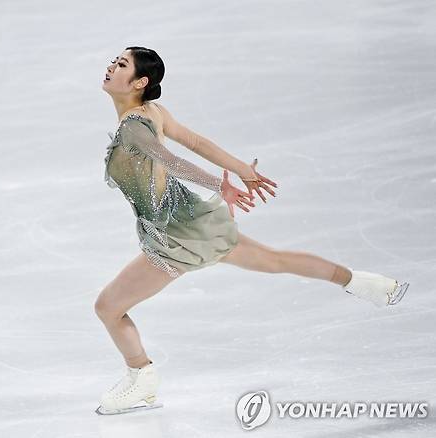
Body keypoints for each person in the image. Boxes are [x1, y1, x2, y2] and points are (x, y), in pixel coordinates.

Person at [94, 46, 409, 415]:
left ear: (140, 82)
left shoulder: (134, 126)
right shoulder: (153, 112)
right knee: (273, 260)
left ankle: (141, 376)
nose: (111, 66)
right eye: (115, 61)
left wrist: (221, 183)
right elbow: (194, 143)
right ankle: (363, 282)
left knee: (108, 307)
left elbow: (174, 159)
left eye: (121, 65)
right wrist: (243, 169)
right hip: (195, 224)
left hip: (175, 235)